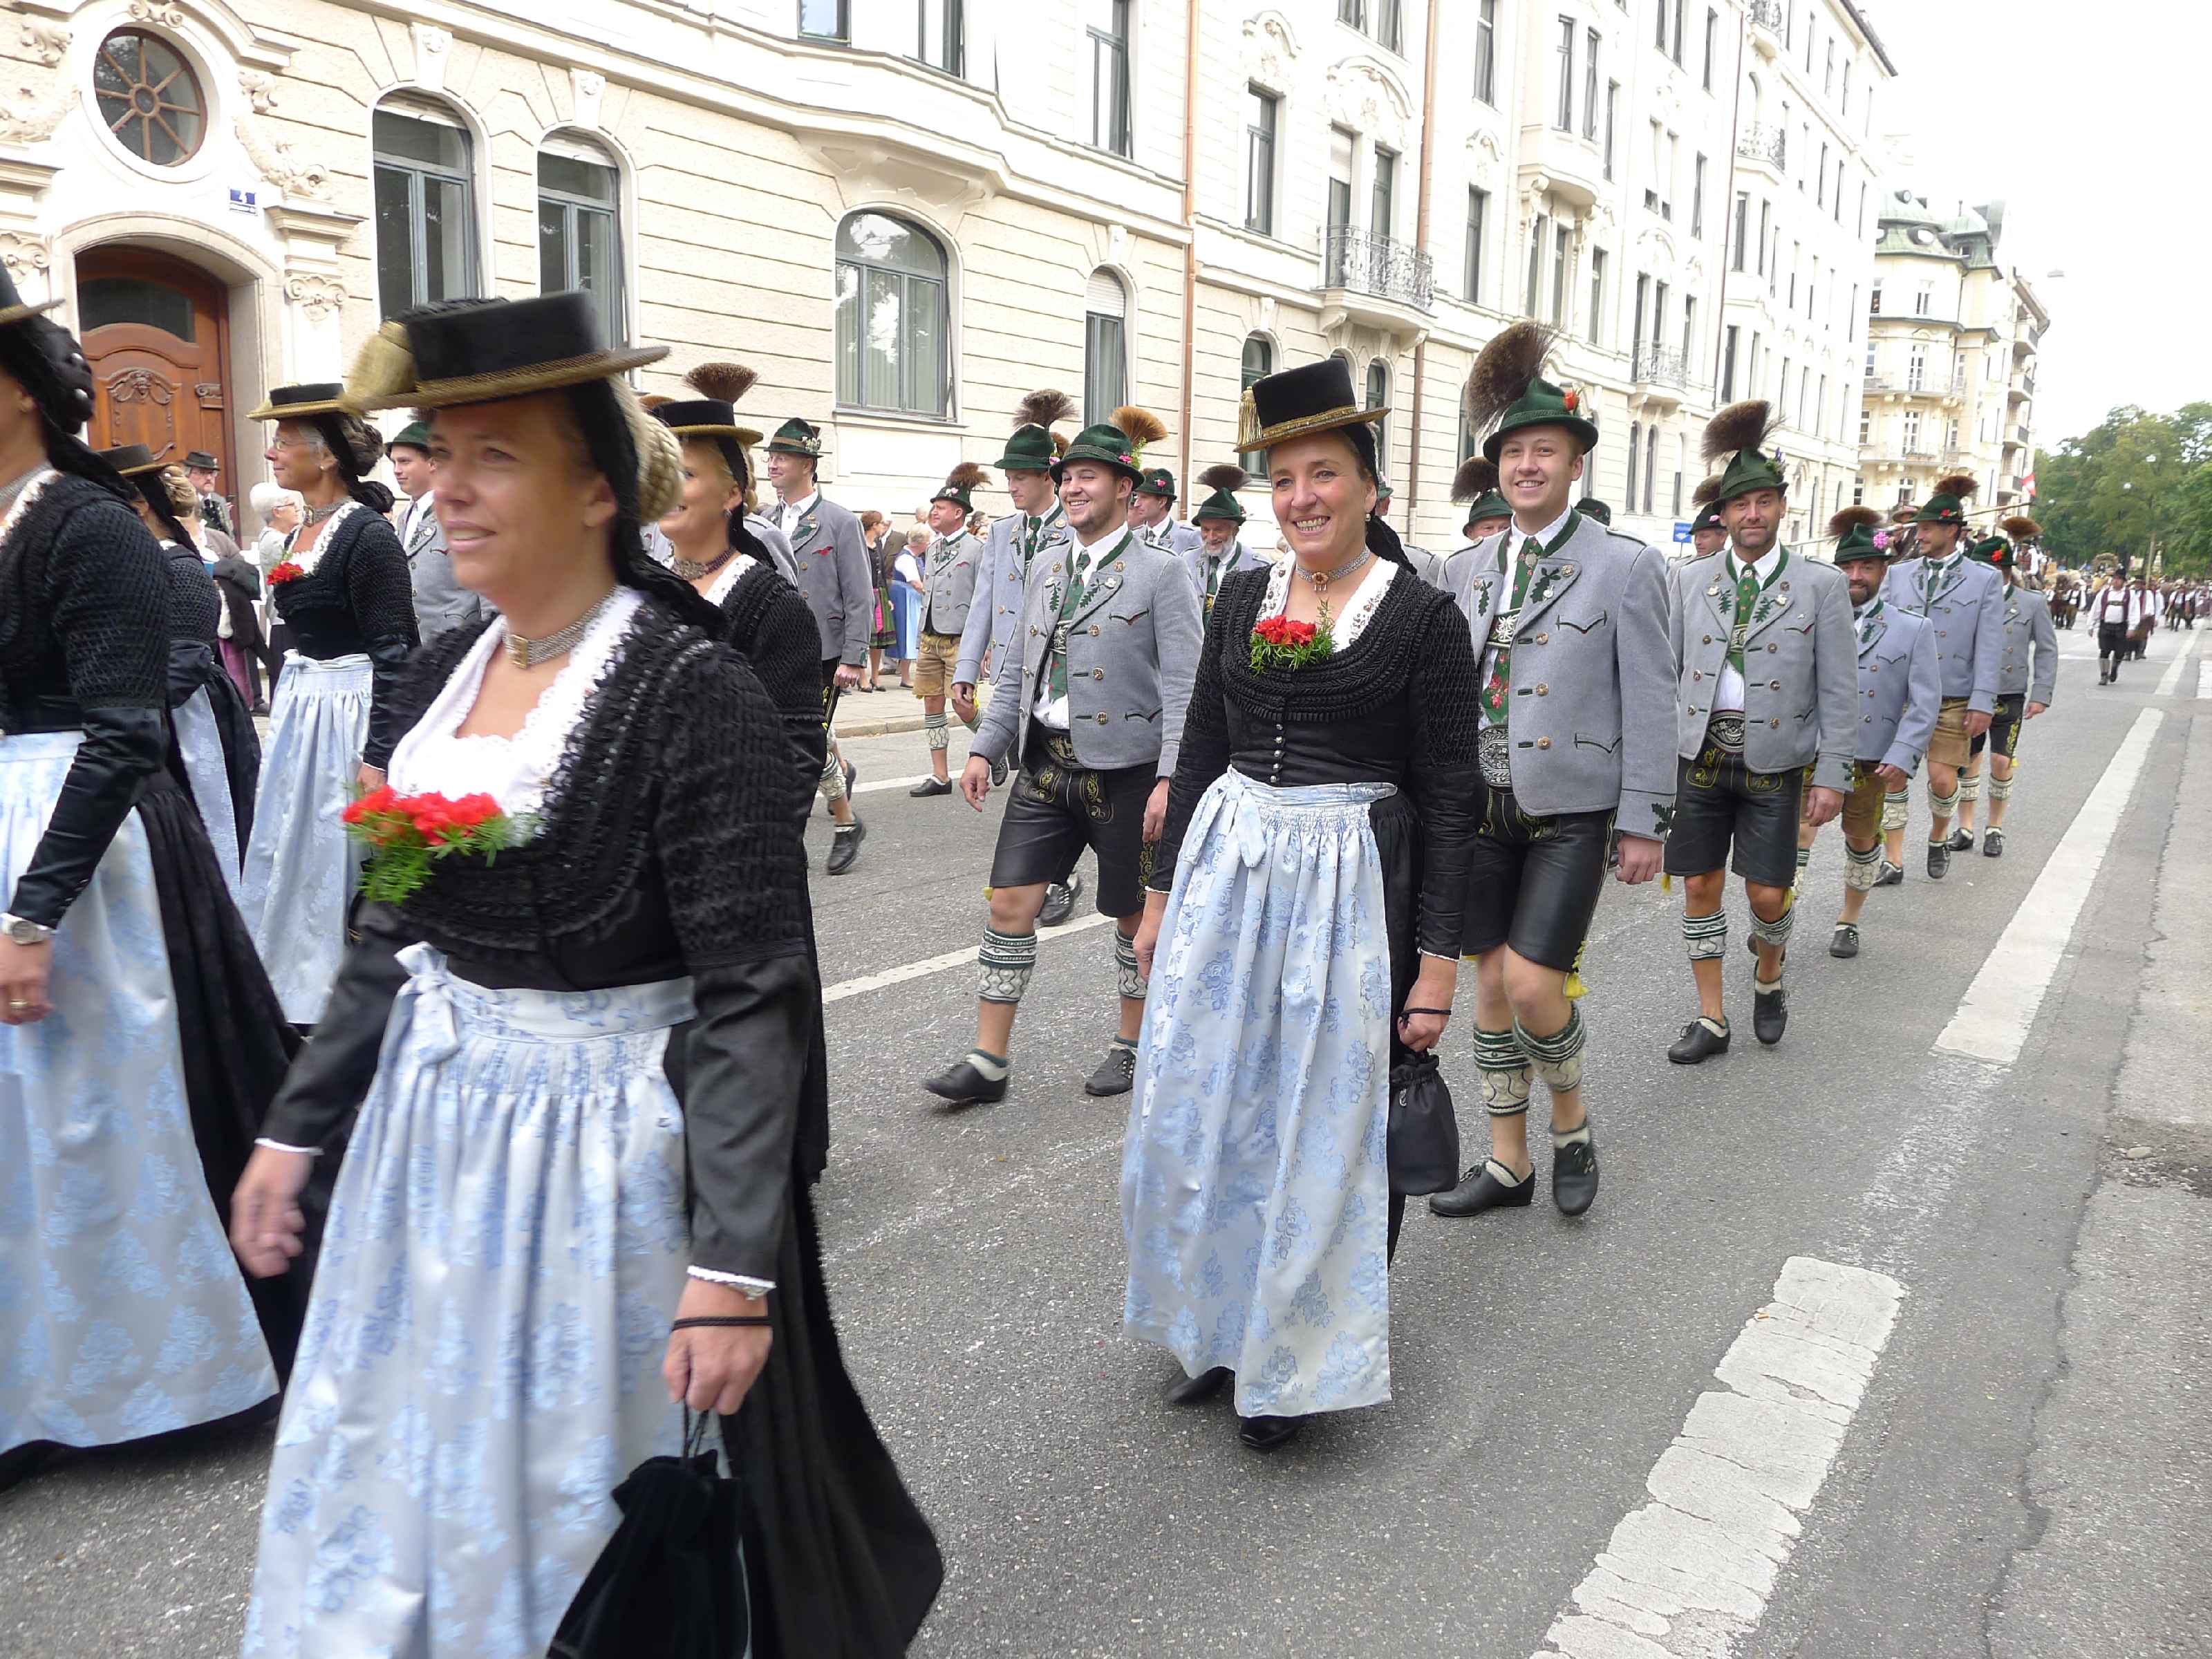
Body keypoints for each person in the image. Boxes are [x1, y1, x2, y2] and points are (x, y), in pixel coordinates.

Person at [229, 292, 941, 1657]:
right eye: (441, 454)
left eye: (494, 456)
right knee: (402, 1462)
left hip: (606, 1162)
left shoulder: (692, 690)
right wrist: (295, 1125)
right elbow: (392, 930)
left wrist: (729, 1272)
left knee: (571, 1501)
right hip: (434, 1145)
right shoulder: (449, 670)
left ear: (599, 488)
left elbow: (751, 992)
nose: (446, 488)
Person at [1117, 353, 1477, 1452]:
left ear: (1370, 485)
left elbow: (1451, 800)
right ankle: (1217, 1326)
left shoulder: (1422, 619)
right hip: (1230, 881)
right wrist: (1160, 895)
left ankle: (1297, 1366)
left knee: (1329, 1128)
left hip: (1350, 892)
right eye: (1282, 480)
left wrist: (1436, 967)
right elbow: (1202, 745)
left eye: (1324, 474)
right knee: (1212, 1109)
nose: (1301, 498)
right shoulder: (1241, 594)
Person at [0, 268, 300, 1494]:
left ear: (22, 389)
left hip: (92, 846)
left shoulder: (87, 525)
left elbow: (125, 735)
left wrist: (34, 911)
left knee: (90, 1107)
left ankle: (148, 1373)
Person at [1428, 326, 1673, 1221]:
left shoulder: (1625, 567)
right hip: (1478, 808)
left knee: (1534, 985)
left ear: (1575, 465)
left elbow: (1652, 700)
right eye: (1513, 453)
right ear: (1495, 468)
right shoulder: (1464, 569)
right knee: (1490, 987)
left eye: (1544, 452)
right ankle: (1508, 1161)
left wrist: (1645, 820)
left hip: (1570, 810)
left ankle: (1570, 1123)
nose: (1526, 466)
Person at [925, 413, 1201, 1105]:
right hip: (1045, 766)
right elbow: (1019, 671)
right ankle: (988, 1060)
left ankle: (1133, 1045)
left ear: (1125, 489)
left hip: (1127, 772)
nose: (1073, 488)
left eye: (1088, 477)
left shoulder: (1162, 573)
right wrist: (985, 747)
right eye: (1067, 478)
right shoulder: (1048, 566)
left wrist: (1171, 778)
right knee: (1009, 903)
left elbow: (1185, 687)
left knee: (1132, 918)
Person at [1665, 400, 1855, 1060]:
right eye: (1741, 504)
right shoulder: (1689, 580)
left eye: (1764, 502)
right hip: (1700, 756)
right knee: (1699, 885)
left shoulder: (1821, 586)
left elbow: (1840, 688)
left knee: (1768, 893)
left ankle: (1769, 976)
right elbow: (1667, 672)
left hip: (1776, 760)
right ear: (1723, 514)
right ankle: (1711, 1017)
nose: (1752, 514)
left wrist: (1834, 774)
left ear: (1781, 509)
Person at [236, 383, 418, 1026]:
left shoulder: (365, 535)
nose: (272, 453)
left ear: (328, 456)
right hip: (305, 706)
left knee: (342, 847)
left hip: (351, 710)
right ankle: (291, 978)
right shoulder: (302, 532)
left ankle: (349, 989)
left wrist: (380, 753)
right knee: (295, 836)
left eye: (284, 442)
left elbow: (396, 649)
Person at [651, 362, 829, 819]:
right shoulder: (646, 590)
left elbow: (795, 761)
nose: (667, 487)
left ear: (732, 495)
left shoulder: (774, 606)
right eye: (662, 473)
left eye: (686, 475)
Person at [101, 446, 259, 885]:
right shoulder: (131, 563)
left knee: (200, 822)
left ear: (139, 506)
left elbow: (185, 663)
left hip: (186, 717)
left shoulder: (181, 568)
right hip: (146, 710)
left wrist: (124, 711)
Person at [954, 392, 1081, 921]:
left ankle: (1059, 876)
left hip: (1055, 675)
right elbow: (983, 601)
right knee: (1033, 776)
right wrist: (966, 668)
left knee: (1051, 780)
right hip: (1011, 674)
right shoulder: (1003, 532)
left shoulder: (1073, 528)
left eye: (1021, 476)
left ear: (1048, 477)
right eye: (1008, 476)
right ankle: (1046, 873)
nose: (1011, 486)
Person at [1797, 509, 1938, 960]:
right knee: (1797, 836)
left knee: (1861, 841)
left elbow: (1925, 702)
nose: (1856, 576)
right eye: (1847, 566)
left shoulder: (1913, 629)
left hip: (1871, 757)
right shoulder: (1808, 620)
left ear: (1884, 570)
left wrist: (1904, 754)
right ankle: (1778, 915)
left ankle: (1849, 921)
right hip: (1812, 751)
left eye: (1867, 566)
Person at [1878, 474, 2003, 882]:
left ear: (1952, 530)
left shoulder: (1985, 579)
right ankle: (1893, 859)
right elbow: (1879, 627)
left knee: (1942, 778)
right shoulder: (1899, 575)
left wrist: (1983, 701)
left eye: (1928, 528)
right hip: (1900, 695)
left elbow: (1990, 644)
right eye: (1919, 528)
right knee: (1892, 776)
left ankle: (1938, 835)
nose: (1920, 535)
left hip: (1953, 695)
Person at [764, 416, 870, 874]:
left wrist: (854, 656)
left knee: (806, 741)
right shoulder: (766, 520)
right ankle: (838, 779)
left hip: (823, 652)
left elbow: (859, 593)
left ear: (807, 464)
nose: (772, 465)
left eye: (782, 458)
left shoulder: (839, 521)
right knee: (794, 737)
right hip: (773, 647)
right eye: (770, 457)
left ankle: (846, 824)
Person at [1949, 525, 2056, 859]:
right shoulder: (1965, 601)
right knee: (1967, 761)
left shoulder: (2031, 603)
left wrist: (2041, 693)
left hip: (2009, 693)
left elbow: (2047, 650)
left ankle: (1994, 828)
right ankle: (1965, 828)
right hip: (1970, 693)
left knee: (2001, 759)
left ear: (2001, 571)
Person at [910, 462, 991, 797]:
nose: (934, 512)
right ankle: (940, 776)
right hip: (931, 638)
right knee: (931, 703)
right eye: (934, 507)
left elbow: (986, 599)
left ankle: (992, 747)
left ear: (959, 513)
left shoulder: (977, 549)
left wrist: (986, 646)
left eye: (941, 507)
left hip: (961, 640)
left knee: (962, 705)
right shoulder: (933, 549)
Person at [388, 418, 491, 644]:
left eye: (405, 462)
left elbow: (488, 592)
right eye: (394, 462)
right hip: (414, 652)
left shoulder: (461, 512)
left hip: (458, 647)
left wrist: (489, 648)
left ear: (433, 463)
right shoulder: (403, 519)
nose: (397, 470)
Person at [1182, 463, 1270, 615]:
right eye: (1205, 529)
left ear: (1235, 530)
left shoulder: (1258, 567)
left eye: (1218, 530)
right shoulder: (1187, 560)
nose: (1211, 537)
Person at [1125, 420, 1201, 558]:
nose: (1137, 504)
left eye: (1144, 497)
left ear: (1162, 502)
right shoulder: (1134, 537)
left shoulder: (1188, 537)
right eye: (1137, 497)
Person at [2091, 568, 2148, 684]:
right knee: (2104, 651)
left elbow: (2134, 612)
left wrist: (2132, 628)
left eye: (2119, 579)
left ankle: (2114, 668)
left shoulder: (2130, 594)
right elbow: (2096, 609)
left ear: (2124, 581)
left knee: (2120, 652)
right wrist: (2091, 625)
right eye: (2114, 579)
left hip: (2121, 627)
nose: (2116, 581)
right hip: (2105, 626)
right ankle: (2104, 675)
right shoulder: (2104, 593)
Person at [860, 509, 896, 690]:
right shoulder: (859, 544)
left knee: (878, 640)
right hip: (863, 594)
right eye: (882, 523)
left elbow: (881, 573)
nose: (884, 526)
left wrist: (886, 597)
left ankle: (875, 676)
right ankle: (862, 678)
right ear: (874, 525)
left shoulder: (878, 544)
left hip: (879, 594)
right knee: (863, 638)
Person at [894, 526, 926, 682]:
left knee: (911, 635)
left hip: (912, 598)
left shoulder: (914, 557)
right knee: (908, 635)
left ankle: (906, 675)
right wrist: (931, 594)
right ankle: (905, 677)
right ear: (920, 543)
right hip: (906, 599)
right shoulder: (906, 559)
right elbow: (916, 583)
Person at [184, 447, 234, 539]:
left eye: (212, 473)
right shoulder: (184, 503)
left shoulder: (220, 500)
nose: (209, 478)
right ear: (188, 476)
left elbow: (230, 535)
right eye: (202, 473)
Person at [1687, 476, 1728, 559]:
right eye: (1696, 537)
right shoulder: (1683, 565)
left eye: (1704, 536)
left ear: (1722, 537)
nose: (1697, 542)